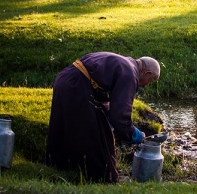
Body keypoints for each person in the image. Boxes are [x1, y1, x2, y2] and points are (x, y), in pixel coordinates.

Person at [46, 52, 160, 183]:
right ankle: (102, 179)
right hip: (76, 87)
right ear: (147, 73)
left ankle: (62, 168)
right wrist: (134, 135)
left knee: (67, 128)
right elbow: (120, 116)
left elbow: (106, 96)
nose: (145, 86)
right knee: (97, 138)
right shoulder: (130, 74)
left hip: (66, 80)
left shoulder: (125, 63)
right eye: (150, 82)